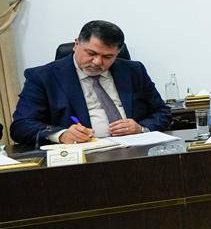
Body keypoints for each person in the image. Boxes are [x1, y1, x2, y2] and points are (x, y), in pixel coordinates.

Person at [10, 20, 170, 146]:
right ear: (76, 44)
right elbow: (21, 126)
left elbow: (162, 112)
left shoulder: (133, 71)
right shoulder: (43, 77)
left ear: (117, 54)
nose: (97, 62)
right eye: (91, 53)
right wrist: (61, 134)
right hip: (79, 159)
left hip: (134, 152)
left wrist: (141, 128)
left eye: (107, 57)